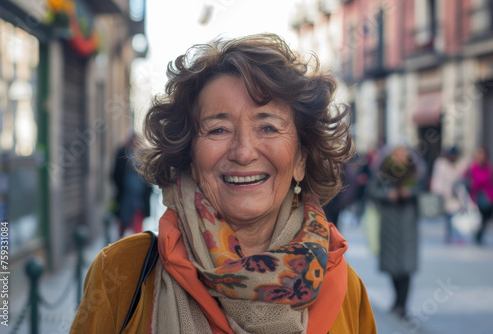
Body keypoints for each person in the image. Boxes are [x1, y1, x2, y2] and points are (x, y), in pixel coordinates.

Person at [71, 34, 377, 333]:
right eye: (218, 130)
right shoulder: (121, 271)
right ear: (190, 155)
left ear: (300, 159)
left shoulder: (347, 290)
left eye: (268, 127)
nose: (243, 152)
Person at [368, 145, 422, 319]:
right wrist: (387, 194)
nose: (400, 156)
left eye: (403, 153)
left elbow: (423, 190)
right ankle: (396, 300)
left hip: (407, 221)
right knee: (392, 264)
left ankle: (402, 304)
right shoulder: (383, 169)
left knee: (406, 264)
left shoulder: (415, 169)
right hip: (389, 221)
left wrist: (410, 191)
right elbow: (372, 190)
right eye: (396, 153)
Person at [111, 133, 151, 238]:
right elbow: (115, 175)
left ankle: (137, 250)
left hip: (139, 200)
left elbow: (149, 178)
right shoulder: (122, 153)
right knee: (123, 223)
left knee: (138, 228)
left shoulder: (144, 155)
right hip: (125, 197)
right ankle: (120, 247)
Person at [430, 146, 467, 244]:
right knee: (448, 217)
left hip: (457, 195)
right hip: (445, 194)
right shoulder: (441, 164)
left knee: (457, 217)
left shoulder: (461, 164)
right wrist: (437, 193)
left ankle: (457, 235)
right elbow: (437, 179)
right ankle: (449, 236)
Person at [465, 146, 493, 245]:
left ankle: (479, 236)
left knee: (485, 218)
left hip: (488, 196)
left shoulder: (488, 167)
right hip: (476, 196)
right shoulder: (472, 167)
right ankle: (477, 235)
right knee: (478, 218)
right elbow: (472, 181)